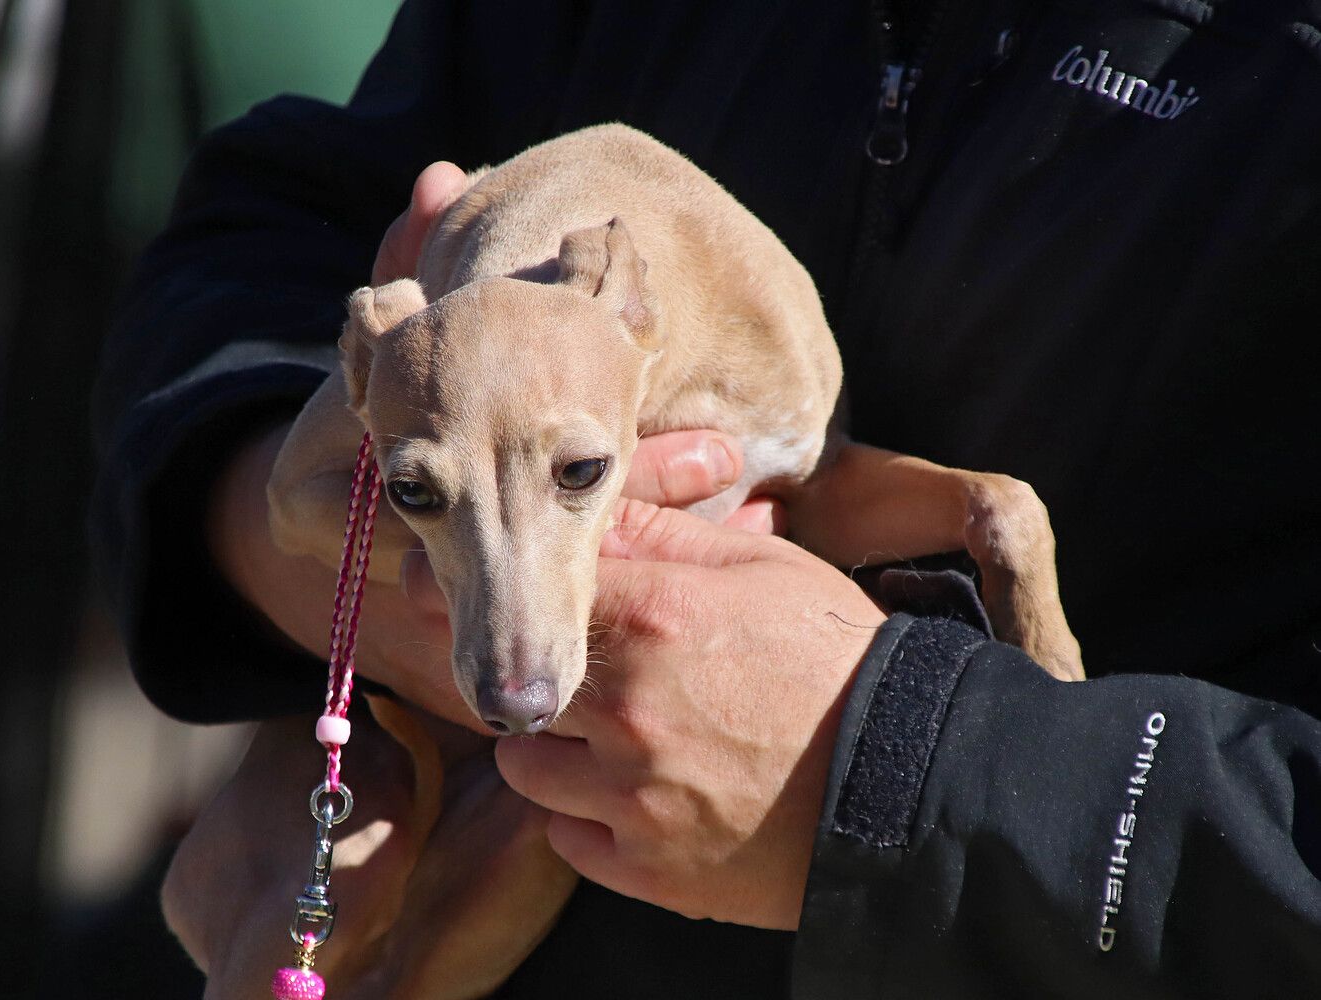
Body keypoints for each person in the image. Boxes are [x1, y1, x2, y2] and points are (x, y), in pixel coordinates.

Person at [91, 0, 1321, 995]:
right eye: (423, 492)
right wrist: (301, 550)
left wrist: (929, 771)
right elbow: (263, 232)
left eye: (581, 470)